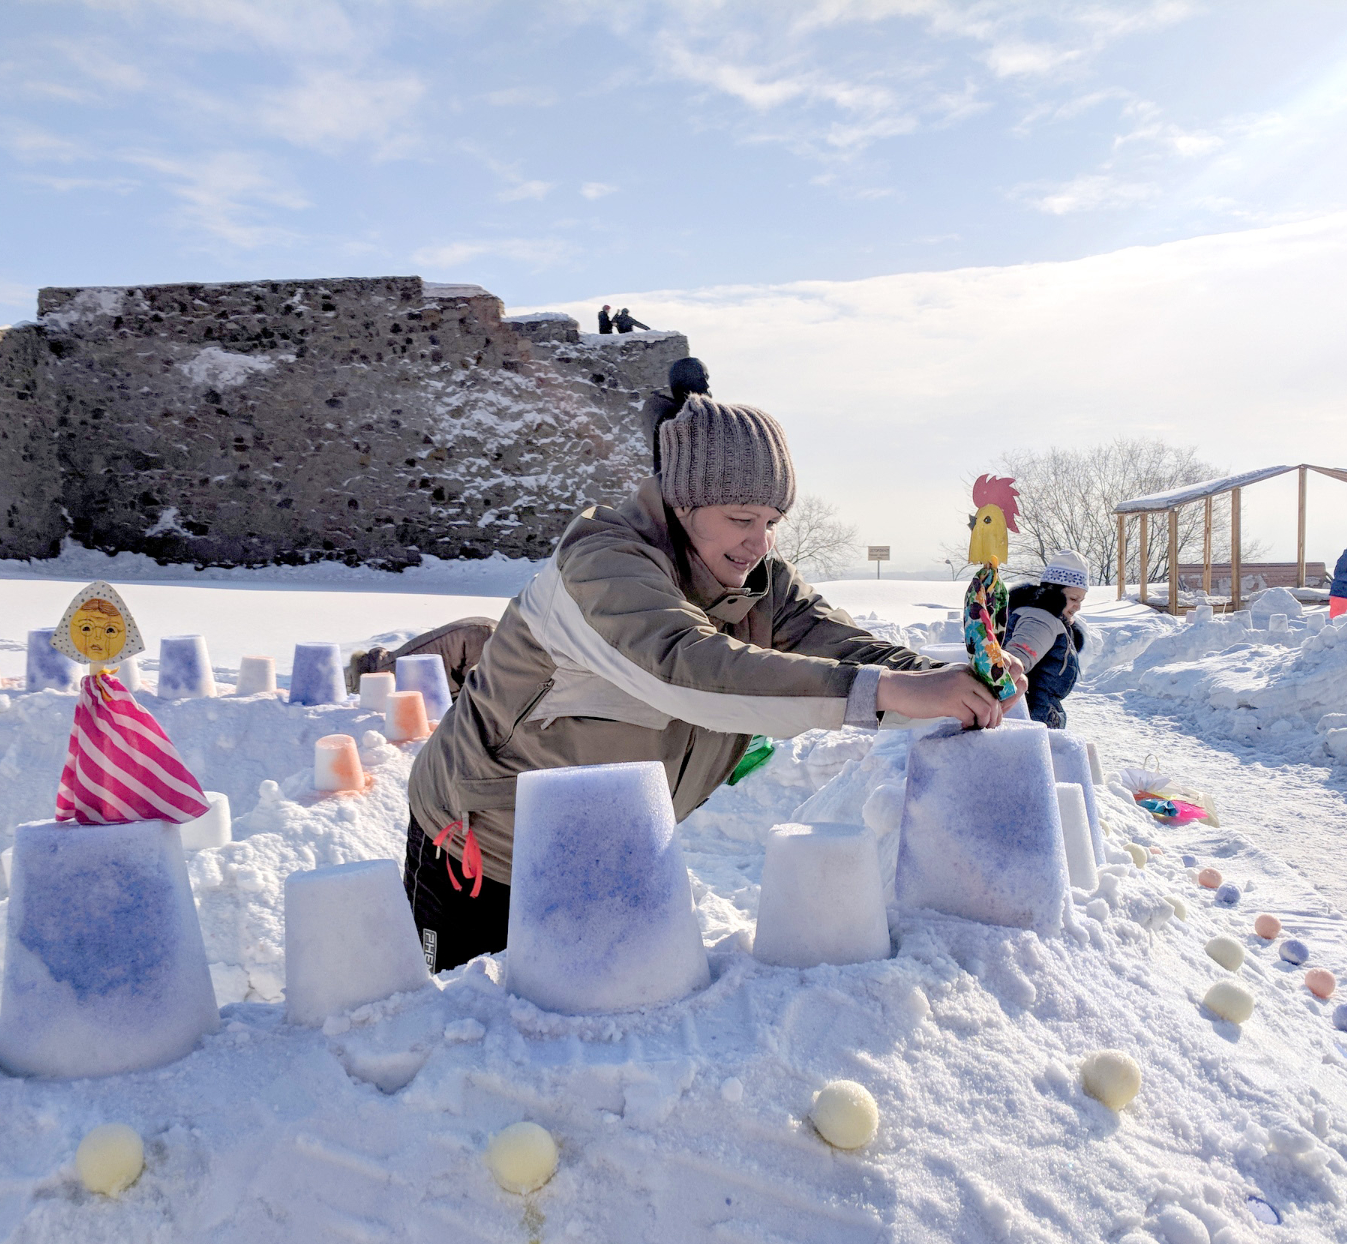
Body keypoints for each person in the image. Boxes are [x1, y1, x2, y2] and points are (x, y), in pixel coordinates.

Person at [404, 394, 1010, 972]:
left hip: (610, 855)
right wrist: (883, 692)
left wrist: (945, 683)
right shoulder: (601, 565)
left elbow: (838, 644)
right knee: (464, 1042)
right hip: (479, 854)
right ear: (681, 503)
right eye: (741, 518)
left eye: (773, 521)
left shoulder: (757, 582)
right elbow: (688, 668)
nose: (760, 543)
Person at [1002, 550, 1090, 729]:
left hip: (1035, 714)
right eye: (1073, 598)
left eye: (1081, 600)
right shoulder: (1041, 619)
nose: (1078, 607)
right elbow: (1011, 664)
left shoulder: (1045, 617)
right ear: (1053, 592)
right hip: (1030, 719)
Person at [348, 616, 497, 698]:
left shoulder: (490, 630)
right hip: (372, 681)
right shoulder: (489, 636)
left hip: (382, 678)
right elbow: (478, 694)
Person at [640, 356, 711, 474]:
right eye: (700, 380)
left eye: (706, 379)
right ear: (685, 383)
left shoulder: (674, 415)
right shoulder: (676, 419)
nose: (707, 386)